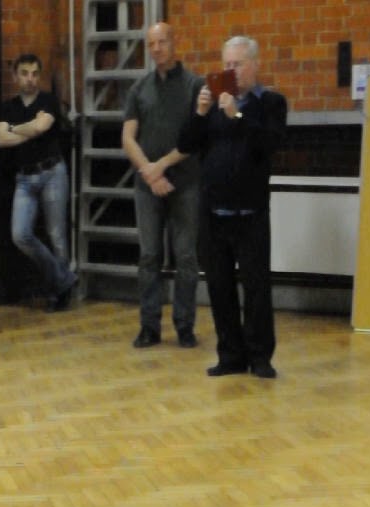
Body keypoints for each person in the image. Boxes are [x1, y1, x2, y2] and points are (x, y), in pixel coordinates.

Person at [177, 36, 287, 379]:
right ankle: (230, 354)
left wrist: (235, 114)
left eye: (237, 64)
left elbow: (268, 143)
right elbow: (185, 144)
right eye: (226, 65)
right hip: (214, 214)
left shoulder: (270, 102)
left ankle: (260, 357)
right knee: (219, 288)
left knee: (256, 289)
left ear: (254, 64)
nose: (231, 71)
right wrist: (199, 113)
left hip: (251, 214)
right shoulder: (210, 107)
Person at [121, 22, 203, 350]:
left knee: (185, 257)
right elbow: (128, 137)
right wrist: (149, 173)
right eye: (151, 43)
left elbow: (196, 138)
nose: (156, 48)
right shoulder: (138, 89)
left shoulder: (195, 85)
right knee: (149, 256)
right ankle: (149, 326)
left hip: (185, 183)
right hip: (147, 187)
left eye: (162, 42)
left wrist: (162, 168)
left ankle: (184, 326)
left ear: (174, 42)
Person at [0, 53, 78, 313]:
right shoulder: (8, 106)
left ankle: (58, 293)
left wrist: (17, 129)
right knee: (20, 234)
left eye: (34, 74)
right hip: (24, 176)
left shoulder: (49, 100)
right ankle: (65, 280)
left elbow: (40, 128)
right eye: (24, 73)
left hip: (52, 171)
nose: (30, 79)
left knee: (57, 236)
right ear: (15, 76)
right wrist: (28, 127)